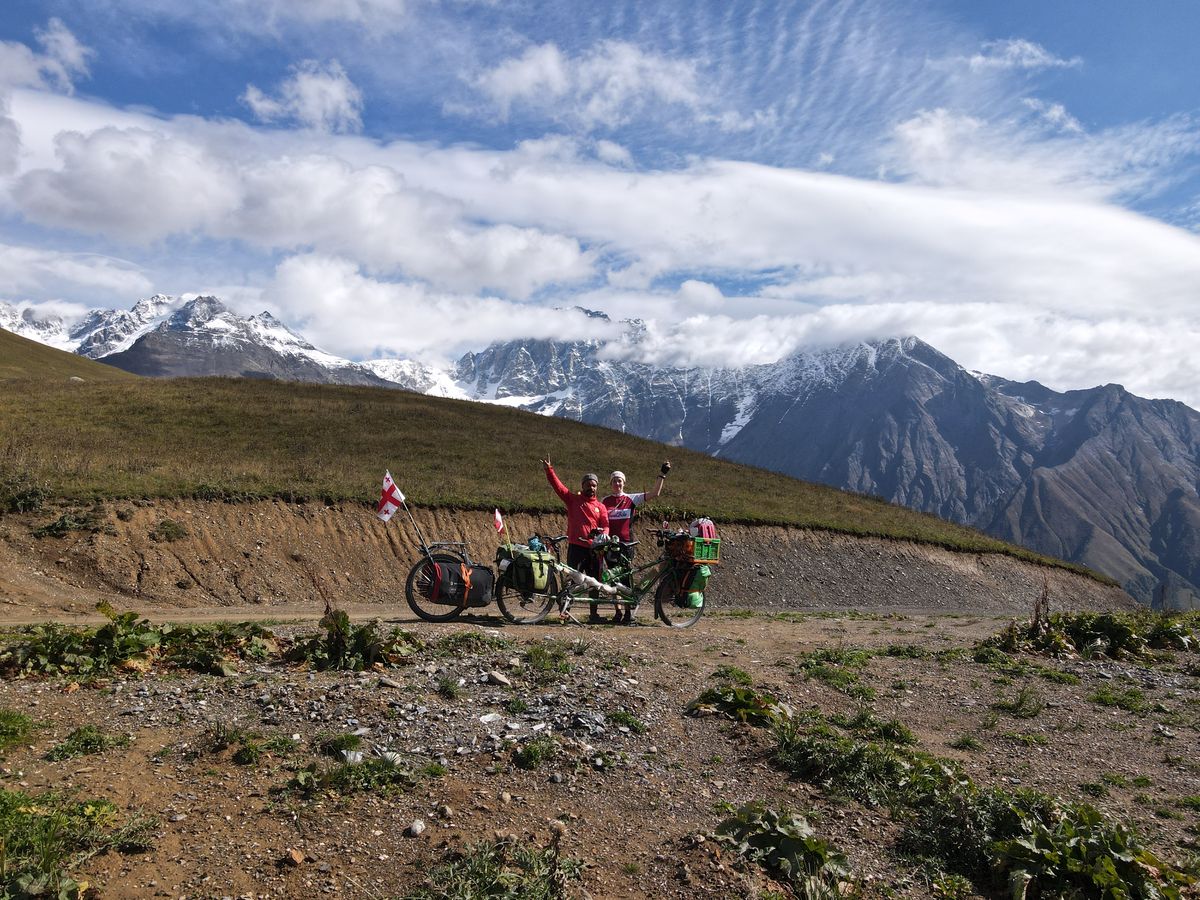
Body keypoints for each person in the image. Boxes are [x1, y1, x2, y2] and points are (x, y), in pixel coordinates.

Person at [540, 457, 610, 624]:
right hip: (576, 547)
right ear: (582, 486)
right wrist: (549, 470)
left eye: (594, 485)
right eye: (588, 485)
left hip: (595, 550)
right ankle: (565, 613)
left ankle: (594, 614)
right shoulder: (573, 500)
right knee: (571, 581)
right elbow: (558, 487)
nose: (591, 488)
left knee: (595, 582)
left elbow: (606, 525)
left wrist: (603, 535)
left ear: (597, 487)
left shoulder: (601, 507)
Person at [601, 461, 670, 624]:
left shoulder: (631, 499)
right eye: (614, 481)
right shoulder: (604, 501)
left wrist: (662, 474)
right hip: (610, 545)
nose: (617, 483)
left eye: (619, 481)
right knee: (613, 578)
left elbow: (654, 493)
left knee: (625, 579)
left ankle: (628, 612)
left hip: (626, 545)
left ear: (624, 483)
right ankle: (617, 612)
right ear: (610, 484)